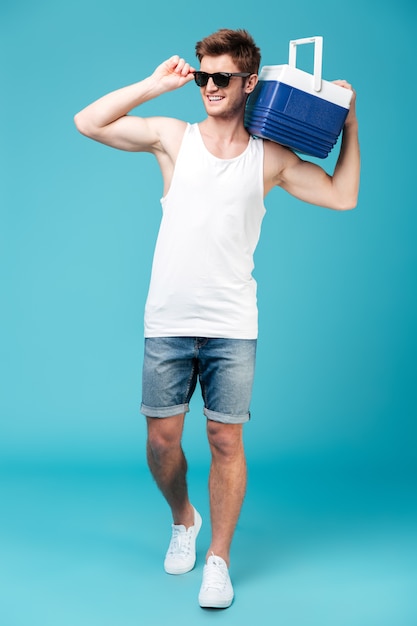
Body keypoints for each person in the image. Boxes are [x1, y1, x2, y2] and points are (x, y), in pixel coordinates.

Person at [74, 28, 360, 609]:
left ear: (249, 82)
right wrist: (157, 85)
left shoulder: (271, 158)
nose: (207, 86)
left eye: (220, 77)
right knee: (161, 442)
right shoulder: (173, 139)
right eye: (203, 76)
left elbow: (342, 195)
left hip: (233, 324)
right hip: (168, 318)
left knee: (225, 441)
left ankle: (218, 561)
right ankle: (184, 518)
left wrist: (350, 123)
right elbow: (89, 121)